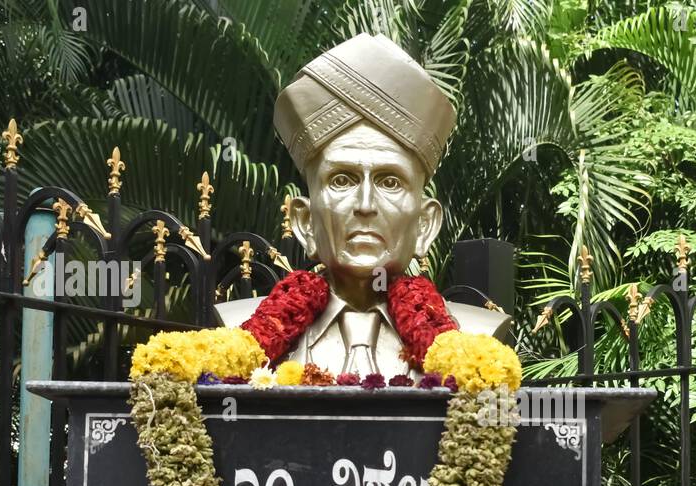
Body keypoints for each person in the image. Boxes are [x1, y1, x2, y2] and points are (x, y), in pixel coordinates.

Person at [215, 33, 509, 377]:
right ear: (305, 221)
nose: (366, 205)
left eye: (389, 182)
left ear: (425, 225)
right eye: (342, 180)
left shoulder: (474, 340)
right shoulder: (238, 334)